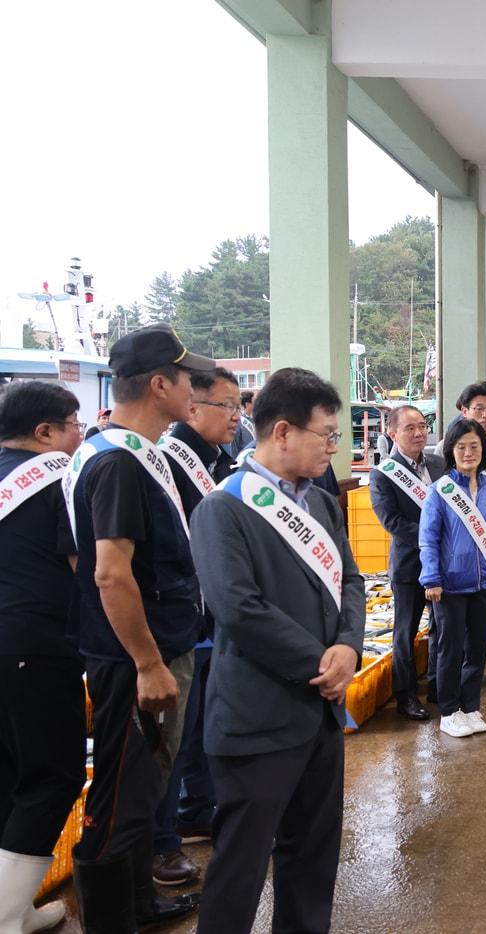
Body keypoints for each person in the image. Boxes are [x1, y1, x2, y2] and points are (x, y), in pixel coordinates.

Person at [188, 367, 364, 934]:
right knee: (241, 863)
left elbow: (352, 581)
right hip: (258, 716)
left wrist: (348, 646)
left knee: (313, 856)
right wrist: (322, 662)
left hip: (319, 713)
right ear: (283, 432)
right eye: (327, 435)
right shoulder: (225, 508)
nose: (333, 447)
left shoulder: (322, 502)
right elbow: (238, 608)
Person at [67, 325, 210, 929]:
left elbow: (78, 560)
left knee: (141, 792)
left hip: (133, 648)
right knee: (120, 802)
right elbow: (107, 574)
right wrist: (148, 662)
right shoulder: (120, 463)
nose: (194, 389)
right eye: (186, 379)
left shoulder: (108, 452)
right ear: (159, 385)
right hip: (136, 660)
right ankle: (112, 920)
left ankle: (139, 903)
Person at [152, 365, 242, 887]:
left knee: (205, 723)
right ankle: (161, 842)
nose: (235, 416)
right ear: (193, 407)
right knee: (175, 735)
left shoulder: (222, 460)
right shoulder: (168, 460)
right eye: (225, 406)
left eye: (238, 406)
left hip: (213, 614)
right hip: (181, 617)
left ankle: (198, 808)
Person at [0, 382, 84, 934]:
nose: (81, 435)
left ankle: (15, 905)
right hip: (38, 646)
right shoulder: (58, 480)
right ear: (45, 433)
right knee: (53, 776)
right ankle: (8, 916)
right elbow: (86, 566)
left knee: (7, 773)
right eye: (73, 425)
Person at [420, 418, 486, 738]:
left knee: (477, 647)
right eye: (461, 447)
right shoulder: (440, 491)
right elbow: (428, 537)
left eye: (474, 446)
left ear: (483, 449)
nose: (468, 452)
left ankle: (470, 706)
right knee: (450, 648)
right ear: (451, 451)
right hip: (449, 586)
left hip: (485, 583)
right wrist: (431, 578)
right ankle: (449, 710)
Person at [370, 405, 447, 720]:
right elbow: (393, 522)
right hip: (409, 565)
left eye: (422, 426)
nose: (418, 433)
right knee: (405, 631)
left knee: (442, 627)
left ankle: (439, 686)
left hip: (444, 563)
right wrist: (436, 537)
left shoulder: (440, 464)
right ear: (392, 433)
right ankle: (405, 696)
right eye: (409, 428)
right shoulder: (383, 474)